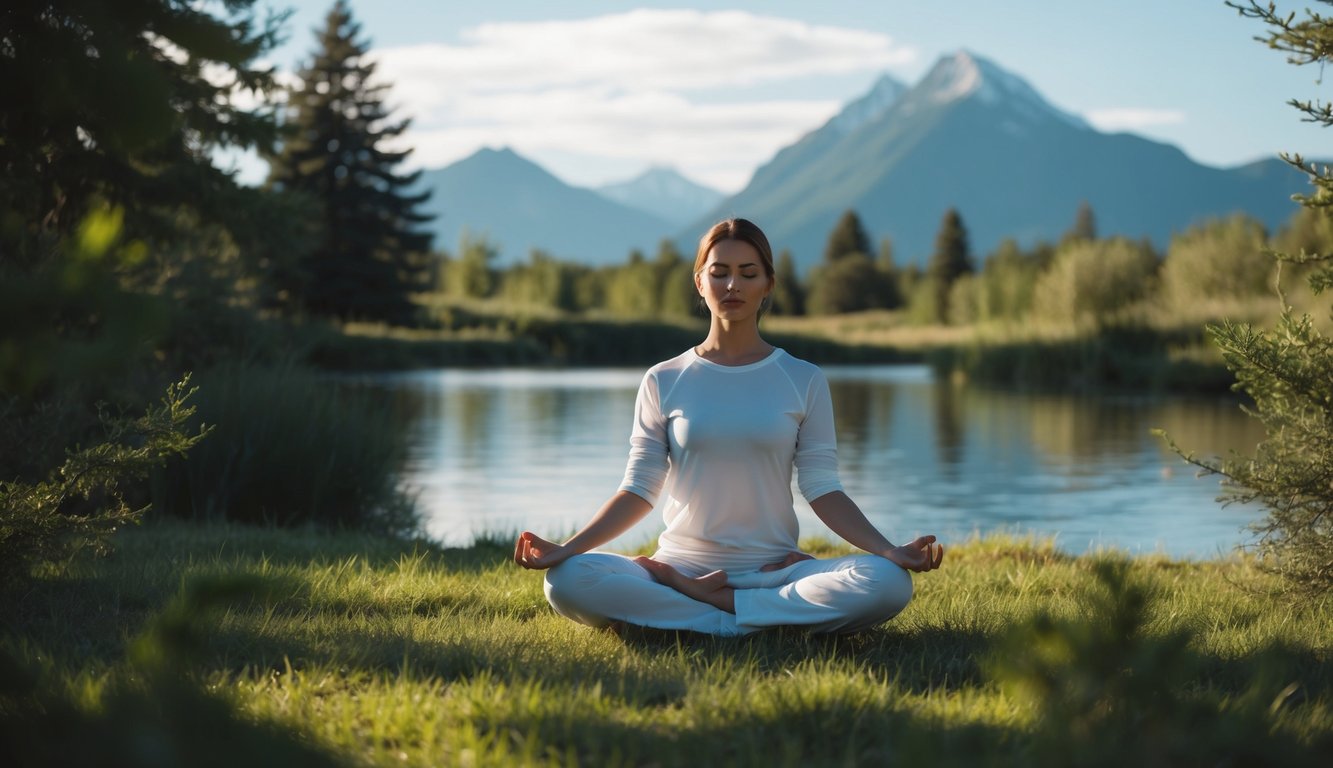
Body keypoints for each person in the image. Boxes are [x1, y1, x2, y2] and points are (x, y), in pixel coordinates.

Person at [513, 218, 944, 636]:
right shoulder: (664, 378)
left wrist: (888, 550)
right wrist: (568, 549)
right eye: (719, 273)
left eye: (747, 273)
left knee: (886, 583)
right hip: (680, 564)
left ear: (767, 285)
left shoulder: (802, 378)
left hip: (774, 571)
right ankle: (748, 616)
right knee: (567, 580)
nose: (733, 286)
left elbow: (823, 488)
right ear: (700, 282)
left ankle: (713, 608)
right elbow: (638, 490)